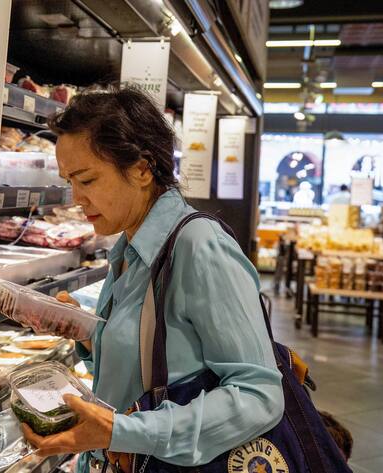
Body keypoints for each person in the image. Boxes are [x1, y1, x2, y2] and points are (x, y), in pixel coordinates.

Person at [20, 86, 284, 471]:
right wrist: (88, 333)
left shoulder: (198, 246)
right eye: (69, 181)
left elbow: (260, 395)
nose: (76, 197)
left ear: (142, 169)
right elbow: (160, 355)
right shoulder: (130, 248)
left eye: (87, 180)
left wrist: (122, 431)